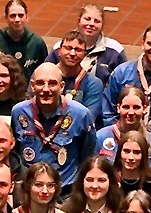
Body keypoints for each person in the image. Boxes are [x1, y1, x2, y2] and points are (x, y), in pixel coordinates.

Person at [12, 62, 95, 190]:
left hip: (66, 194)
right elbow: (15, 154)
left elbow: (87, 158)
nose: (46, 89)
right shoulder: (19, 113)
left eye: (52, 83)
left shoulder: (80, 115)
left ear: (61, 87)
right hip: (29, 192)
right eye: (40, 83)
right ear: (32, 86)